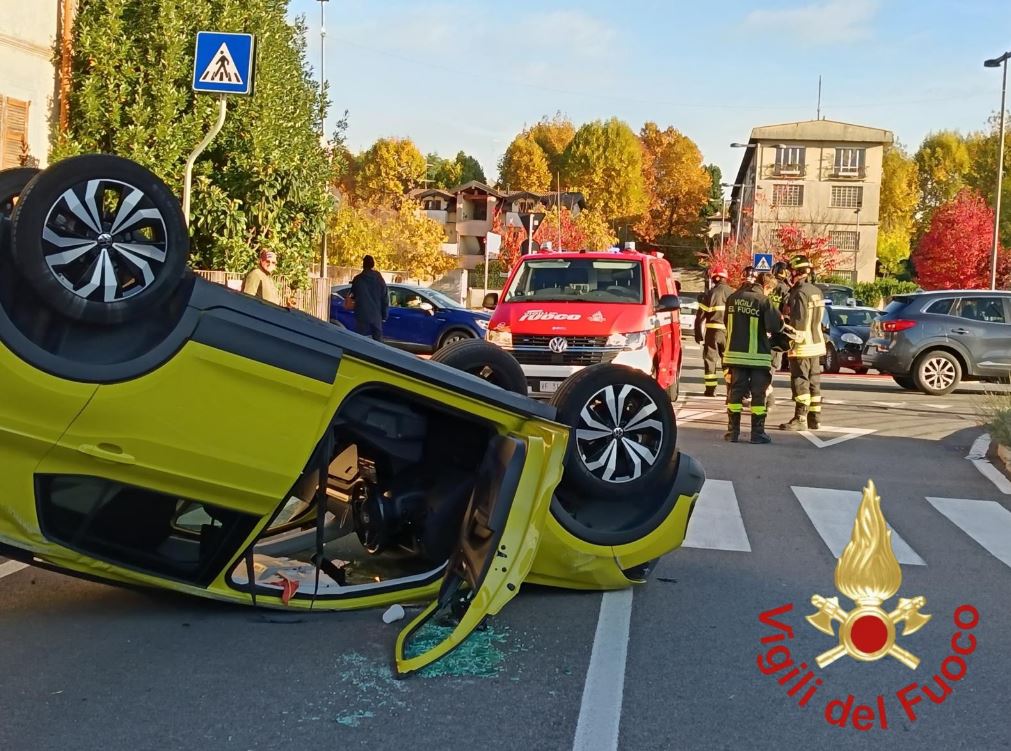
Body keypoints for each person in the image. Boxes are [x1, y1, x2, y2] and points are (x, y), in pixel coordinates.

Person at [723, 272, 787, 444]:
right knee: (759, 395)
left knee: (735, 395)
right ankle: (757, 434)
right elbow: (776, 326)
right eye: (770, 291)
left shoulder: (732, 297)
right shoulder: (763, 301)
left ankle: (732, 432)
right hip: (757, 356)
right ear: (766, 286)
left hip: (735, 355)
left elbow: (725, 322)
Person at [779, 255, 827, 431]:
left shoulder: (799, 293)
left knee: (800, 381)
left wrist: (784, 333)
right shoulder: (816, 291)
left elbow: (798, 323)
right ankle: (815, 418)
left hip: (802, 346)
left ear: (796, 271)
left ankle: (800, 418)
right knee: (814, 382)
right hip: (816, 344)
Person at [694, 266, 733, 397]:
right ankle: (730, 389)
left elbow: (700, 317)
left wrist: (698, 335)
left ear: (715, 278)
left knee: (710, 360)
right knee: (728, 362)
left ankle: (710, 390)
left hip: (712, 332)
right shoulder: (733, 293)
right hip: (728, 333)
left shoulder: (710, 294)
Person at [349, 255, 388, 342]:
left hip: (361, 314)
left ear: (363, 265)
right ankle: (377, 355)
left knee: (359, 341)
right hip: (376, 315)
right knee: (378, 343)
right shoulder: (379, 279)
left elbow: (353, 296)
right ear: (373, 265)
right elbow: (385, 298)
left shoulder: (357, 279)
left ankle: (359, 354)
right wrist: (384, 315)